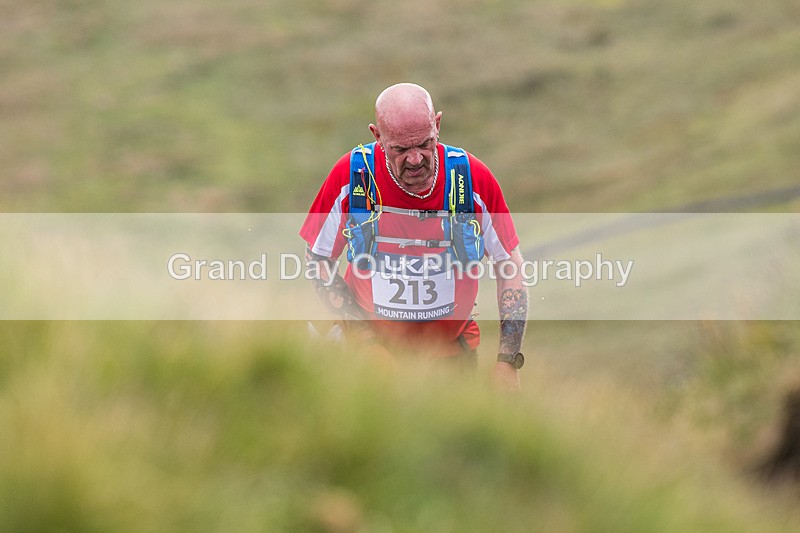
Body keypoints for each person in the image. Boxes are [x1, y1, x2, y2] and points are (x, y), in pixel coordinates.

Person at [300, 83, 527, 390]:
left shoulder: (472, 179)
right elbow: (316, 258)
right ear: (377, 137)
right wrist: (364, 340)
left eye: (424, 144)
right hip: (370, 355)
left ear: (437, 125)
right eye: (401, 149)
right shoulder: (353, 177)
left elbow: (509, 264)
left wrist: (507, 361)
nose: (416, 160)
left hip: (449, 356)